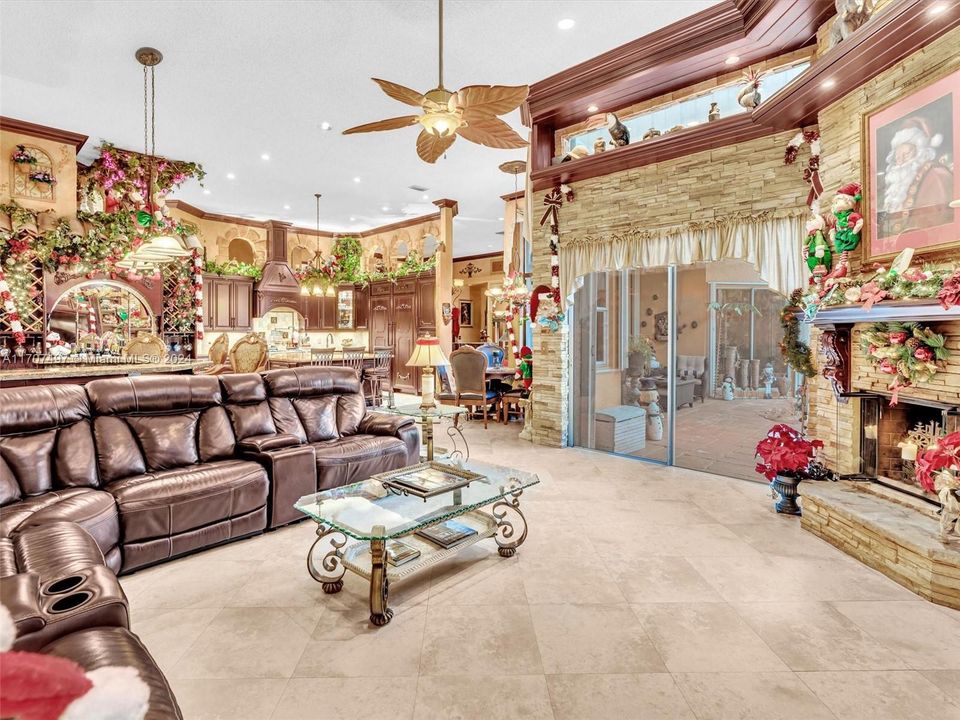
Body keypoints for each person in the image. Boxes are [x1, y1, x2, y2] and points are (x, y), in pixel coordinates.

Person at [879, 116, 953, 237]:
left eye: (906, 154)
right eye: (897, 157)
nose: (901, 161)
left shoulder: (937, 176)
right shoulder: (894, 189)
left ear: (920, 152)